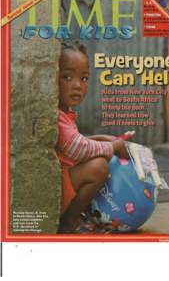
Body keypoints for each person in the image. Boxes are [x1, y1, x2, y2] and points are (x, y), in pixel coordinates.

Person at [56, 42, 133, 233]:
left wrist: (105, 139)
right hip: (57, 189)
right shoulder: (56, 116)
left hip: (66, 178)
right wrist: (112, 146)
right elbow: (77, 148)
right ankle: (68, 222)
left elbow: (76, 141)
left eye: (84, 78)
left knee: (99, 150)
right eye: (67, 77)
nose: (77, 85)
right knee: (98, 167)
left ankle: (82, 214)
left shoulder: (66, 113)